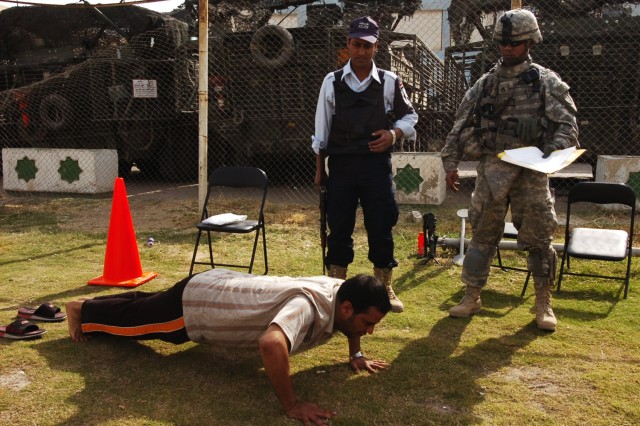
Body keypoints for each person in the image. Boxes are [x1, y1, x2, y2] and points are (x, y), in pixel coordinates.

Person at [66, 268, 392, 425]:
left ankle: (91, 305)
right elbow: (271, 344)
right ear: (347, 308)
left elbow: (357, 316)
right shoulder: (310, 306)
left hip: (216, 282)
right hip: (198, 306)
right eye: (367, 324)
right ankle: (83, 311)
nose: (370, 330)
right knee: (137, 322)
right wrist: (292, 405)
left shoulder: (340, 291)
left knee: (147, 305)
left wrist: (357, 353)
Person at [440, 9, 579, 331]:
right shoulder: (485, 84)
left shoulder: (546, 82)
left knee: (539, 239)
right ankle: (472, 295)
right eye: (503, 42)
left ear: (530, 42)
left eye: (514, 43)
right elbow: (460, 125)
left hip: (531, 173)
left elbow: (568, 126)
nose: (507, 48)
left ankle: (543, 302)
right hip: (492, 172)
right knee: (481, 236)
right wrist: (451, 163)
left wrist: (552, 147)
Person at [312, 16, 419, 313]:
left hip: (375, 166)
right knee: (339, 226)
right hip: (342, 166)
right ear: (348, 44)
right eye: (356, 45)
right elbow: (321, 131)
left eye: (367, 46)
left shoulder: (389, 81)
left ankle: (384, 287)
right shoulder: (331, 82)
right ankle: (335, 287)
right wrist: (320, 170)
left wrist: (393, 134)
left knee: (381, 223)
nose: (361, 52)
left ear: (376, 47)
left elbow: (410, 117)